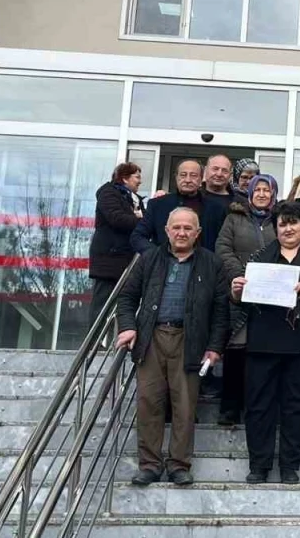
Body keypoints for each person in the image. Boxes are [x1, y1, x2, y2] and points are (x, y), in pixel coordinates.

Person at [231, 201, 300, 484]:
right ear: (275, 228)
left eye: (294, 223)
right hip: (262, 344)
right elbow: (239, 302)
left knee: (298, 407)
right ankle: (259, 465)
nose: (288, 228)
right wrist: (236, 292)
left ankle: (290, 466)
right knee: (258, 406)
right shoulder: (259, 257)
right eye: (282, 224)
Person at [116, 207, 229, 486]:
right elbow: (127, 297)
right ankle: (149, 465)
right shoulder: (149, 259)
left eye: (188, 228)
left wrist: (215, 347)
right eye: (176, 227)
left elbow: (221, 311)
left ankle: (179, 465)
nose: (181, 232)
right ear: (166, 231)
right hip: (151, 338)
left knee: (185, 406)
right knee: (148, 403)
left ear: (197, 233)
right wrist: (128, 327)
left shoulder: (212, 264)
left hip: (190, 341)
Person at [214, 173, 279, 426]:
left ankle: (258, 408)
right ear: (250, 193)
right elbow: (223, 248)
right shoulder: (234, 218)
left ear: (273, 194)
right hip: (239, 292)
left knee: (264, 354)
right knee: (236, 350)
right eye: (257, 190)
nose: (262, 194)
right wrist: (240, 275)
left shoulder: (280, 219)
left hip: (270, 296)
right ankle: (230, 408)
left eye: (267, 190)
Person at [89, 162, 145, 326]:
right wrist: (141, 219)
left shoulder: (134, 199)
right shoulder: (108, 193)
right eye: (137, 177)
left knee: (125, 304)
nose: (140, 181)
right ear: (125, 178)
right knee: (102, 304)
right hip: (110, 260)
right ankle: (95, 339)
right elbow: (117, 219)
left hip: (127, 260)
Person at [132, 159, 227, 253]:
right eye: (183, 175)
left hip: (204, 262)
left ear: (201, 179)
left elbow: (223, 244)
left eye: (193, 175)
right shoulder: (158, 204)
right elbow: (138, 236)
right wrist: (156, 255)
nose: (188, 180)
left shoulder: (216, 209)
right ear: (176, 177)